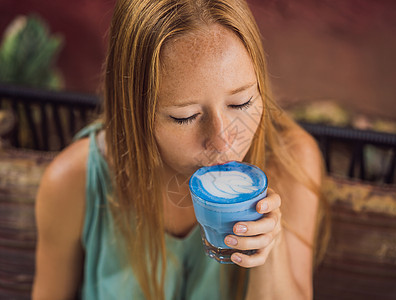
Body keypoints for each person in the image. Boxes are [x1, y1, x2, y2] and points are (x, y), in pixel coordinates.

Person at [32, 0, 328, 299]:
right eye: (184, 117)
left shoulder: (290, 160)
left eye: (241, 103)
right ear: (132, 109)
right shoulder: (73, 181)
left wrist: (270, 251)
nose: (223, 142)